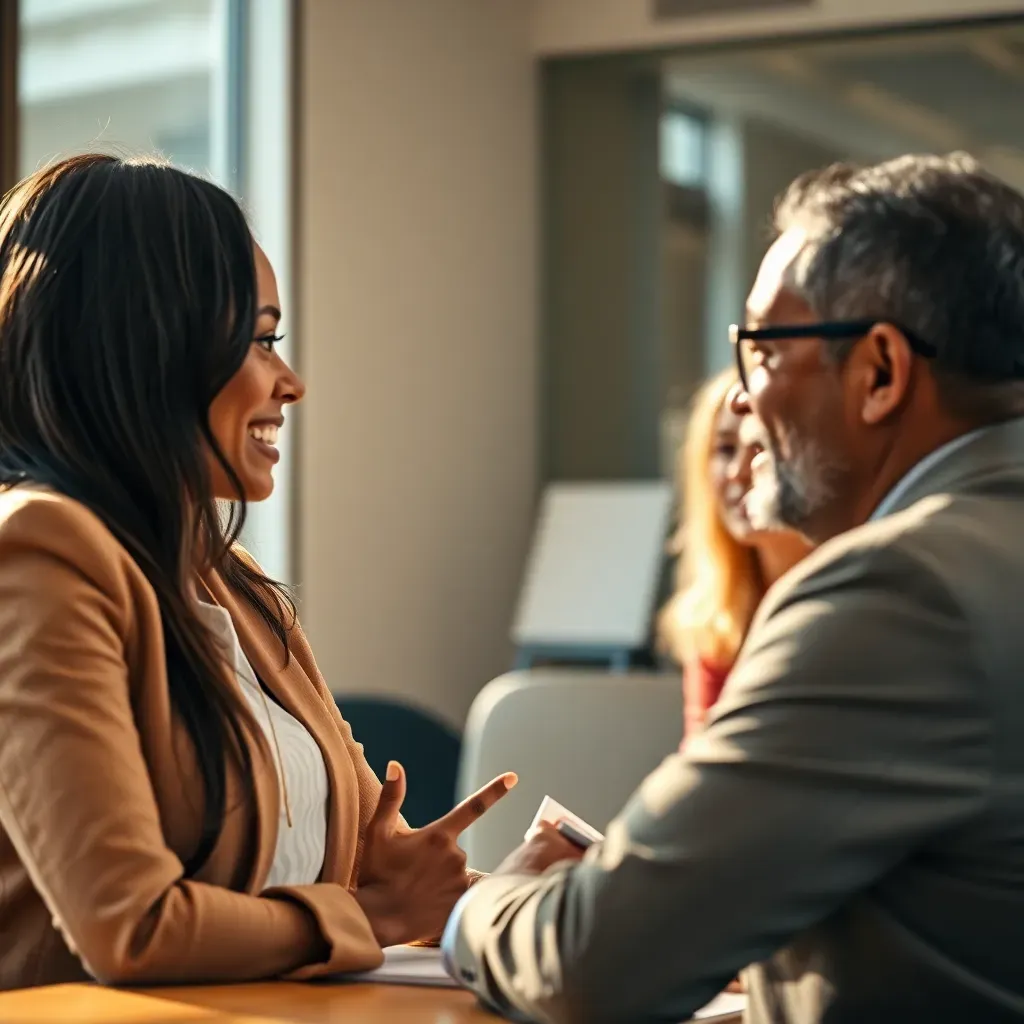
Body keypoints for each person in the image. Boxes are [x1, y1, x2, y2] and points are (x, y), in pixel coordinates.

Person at [441, 151, 1024, 1024]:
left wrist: (479, 906)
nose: (741, 402)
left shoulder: (897, 595)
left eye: (759, 348)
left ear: (880, 373)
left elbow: (592, 966)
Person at [0, 154, 515, 990]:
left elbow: (343, 888)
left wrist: (555, 907)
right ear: (146, 346)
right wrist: (377, 915)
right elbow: (132, 926)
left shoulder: (232, 586)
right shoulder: (38, 551)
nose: (292, 381)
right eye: (261, 339)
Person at [659, 369, 809, 737]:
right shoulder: (717, 620)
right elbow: (703, 764)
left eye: (762, 448)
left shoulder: (852, 594)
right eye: (725, 449)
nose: (740, 472)